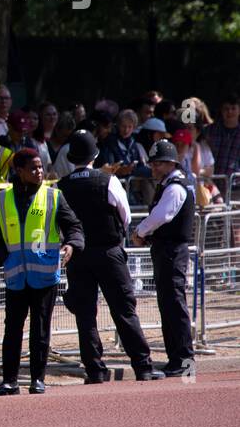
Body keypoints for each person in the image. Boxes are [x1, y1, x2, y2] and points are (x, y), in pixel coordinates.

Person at [55, 132, 163, 384]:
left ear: (71, 158)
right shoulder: (108, 181)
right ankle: (143, 366)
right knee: (124, 310)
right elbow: (125, 216)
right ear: (95, 155)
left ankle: (94, 370)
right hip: (109, 251)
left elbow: (59, 222)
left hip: (78, 254)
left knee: (85, 314)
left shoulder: (61, 186)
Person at [0, 149, 83, 395]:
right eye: (33, 168)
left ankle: (37, 379)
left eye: (40, 167)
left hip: (44, 274)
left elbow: (74, 226)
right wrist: (3, 260)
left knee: (40, 328)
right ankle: (10, 381)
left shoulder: (53, 196)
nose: (39, 172)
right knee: (12, 329)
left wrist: (71, 244)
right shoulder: (1, 199)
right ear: (19, 171)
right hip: (16, 274)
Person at [132, 140, 196, 377]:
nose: (153, 167)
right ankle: (175, 359)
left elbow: (162, 215)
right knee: (168, 306)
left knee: (174, 306)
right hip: (166, 251)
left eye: (158, 163)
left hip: (172, 252)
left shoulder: (175, 187)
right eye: (152, 163)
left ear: (170, 163)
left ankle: (183, 360)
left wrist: (140, 232)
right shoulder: (170, 184)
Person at [206, 93, 240, 182]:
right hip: (211, 184)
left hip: (236, 186)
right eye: (226, 109)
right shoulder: (209, 131)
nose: (230, 112)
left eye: (233, 108)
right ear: (221, 110)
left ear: (239, 110)